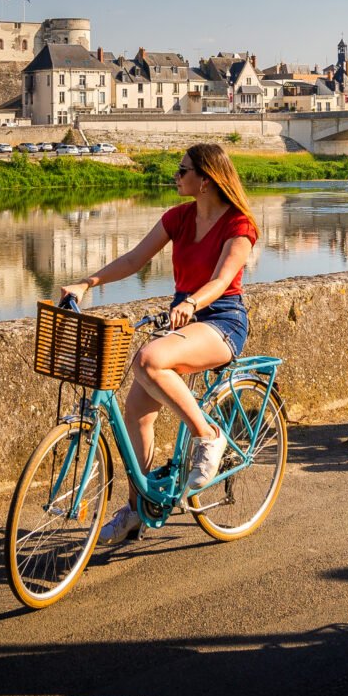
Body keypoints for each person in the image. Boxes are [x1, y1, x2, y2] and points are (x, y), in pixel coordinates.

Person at [59, 142, 258, 546]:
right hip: (183, 317)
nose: (175, 176)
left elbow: (221, 281)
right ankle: (138, 509)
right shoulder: (178, 218)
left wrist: (192, 301)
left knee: (148, 359)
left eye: (182, 171)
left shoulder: (239, 225)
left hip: (221, 319)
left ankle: (209, 435)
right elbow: (134, 259)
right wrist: (86, 283)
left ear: (205, 180)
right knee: (135, 414)